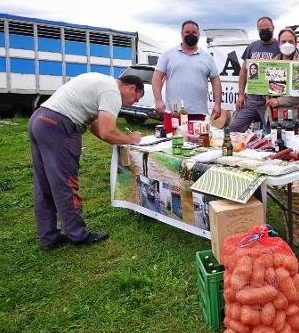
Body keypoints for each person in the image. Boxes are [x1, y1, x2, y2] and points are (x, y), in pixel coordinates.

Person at [28, 72, 144, 250]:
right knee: (66, 183)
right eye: (135, 99)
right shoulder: (112, 92)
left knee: (44, 183)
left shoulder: (99, 81)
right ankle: (78, 234)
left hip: (40, 119)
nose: (131, 104)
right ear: (131, 88)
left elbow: (96, 127)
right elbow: (107, 131)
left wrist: (119, 139)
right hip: (59, 126)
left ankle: (48, 237)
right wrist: (130, 139)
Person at [152, 20, 222, 133]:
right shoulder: (168, 54)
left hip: (199, 114)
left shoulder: (207, 57)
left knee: (198, 147)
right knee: (172, 146)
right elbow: (156, 77)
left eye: (194, 32)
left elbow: (216, 81)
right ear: (181, 34)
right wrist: (158, 100)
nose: (190, 35)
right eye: (187, 32)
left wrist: (217, 104)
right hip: (174, 113)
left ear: (199, 35)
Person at [229, 16, 280, 133]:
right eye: (261, 30)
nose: (264, 32)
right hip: (251, 99)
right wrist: (241, 95)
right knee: (234, 127)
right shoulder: (252, 46)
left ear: (273, 28)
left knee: (271, 133)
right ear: (257, 30)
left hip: (268, 101)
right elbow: (243, 71)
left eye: (267, 29)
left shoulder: (279, 47)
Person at [265, 28, 299, 128]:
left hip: (297, 119)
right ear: (279, 44)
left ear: (296, 43)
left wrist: (279, 101)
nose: (287, 44)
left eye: (290, 41)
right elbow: (265, 88)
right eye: (283, 41)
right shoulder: (272, 63)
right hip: (274, 119)